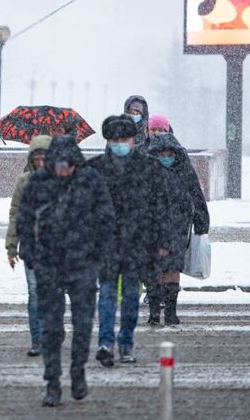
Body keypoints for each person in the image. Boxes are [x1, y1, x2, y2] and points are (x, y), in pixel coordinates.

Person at [17, 136, 115, 407]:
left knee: (83, 324)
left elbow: (106, 220)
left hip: (83, 263)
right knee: (51, 327)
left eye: (68, 166)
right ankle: (52, 381)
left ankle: (78, 370)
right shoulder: (39, 182)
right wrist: (30, 252)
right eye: (59, 166)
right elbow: (24, 218)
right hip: (49, 263)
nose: (63, 171)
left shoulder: (90, 180)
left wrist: (101, 256)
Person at [87, 114, 169, 366]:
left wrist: (162, 241)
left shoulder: (149, 168)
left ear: (134, 140)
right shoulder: (95, 169)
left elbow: (160, 207)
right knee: (107, 294)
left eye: (124, 139)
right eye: (115, 140)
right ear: (108, 141)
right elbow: (85, 209)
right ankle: (106, 343)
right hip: (107, 242)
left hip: (138, 243)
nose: (120, 144)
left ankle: (126, 344)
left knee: (132, 297)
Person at [147, 132, 209, 325]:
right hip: (153, 227)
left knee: (173, 267)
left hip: (177, 226)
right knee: (155, 268)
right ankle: (154, 311)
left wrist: (201, 220)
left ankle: (170, 312)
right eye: (162, 154)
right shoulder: (147, 171)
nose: (166, 158)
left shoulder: (185, 170)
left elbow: (196, 194)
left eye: (169, 154)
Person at [5, 134, 53, 356]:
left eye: (45, 157)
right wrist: (11, 246)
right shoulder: (24, 182)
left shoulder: (61, 180)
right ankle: (38, 339)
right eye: (37, 158)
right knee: (34, 293)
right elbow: (15, 214)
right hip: (32, 247)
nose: (40, 162)